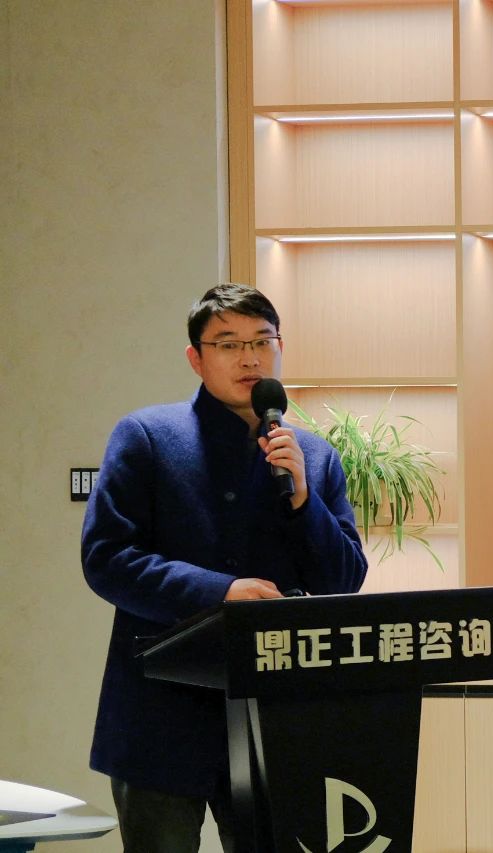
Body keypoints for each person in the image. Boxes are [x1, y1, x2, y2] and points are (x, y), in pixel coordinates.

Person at [81, 284, 368, 852]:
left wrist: (304, 502)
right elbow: (107, 559)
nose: (249, 358)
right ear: (196, 358)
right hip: (162, 714)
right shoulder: (147, 437)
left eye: (262, 341)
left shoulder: (312, 456)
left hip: (273, 715)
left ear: (280, 349)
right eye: (229, 344)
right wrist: (222, 592)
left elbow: (343, 580)